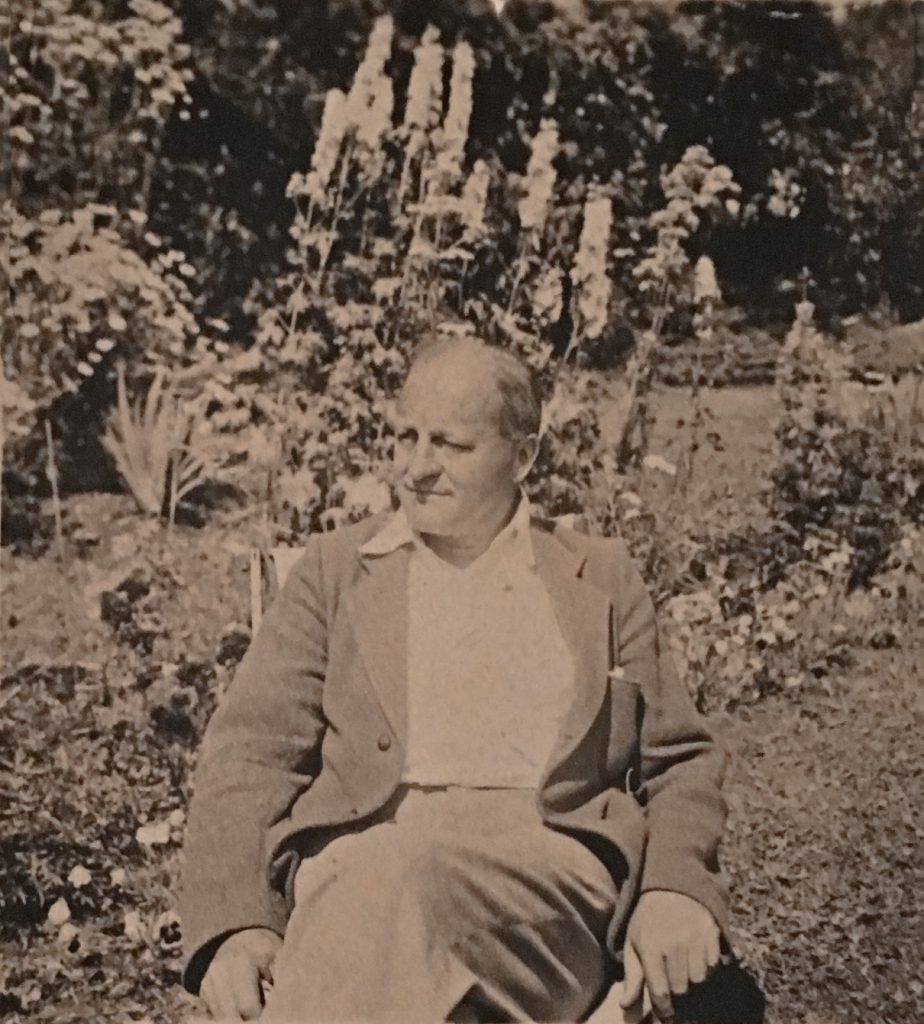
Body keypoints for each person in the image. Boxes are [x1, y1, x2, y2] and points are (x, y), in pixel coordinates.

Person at [180, 336, 729, 1023]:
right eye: (404, 436)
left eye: (450, 445)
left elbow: (679, 761)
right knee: (389, 888)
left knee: (405, 882)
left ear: (523, 455)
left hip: (543, 873)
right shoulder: (337, 571)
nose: (416, 468)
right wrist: (238, 927)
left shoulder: (598, 575)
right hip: (359, 868)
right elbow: (249, 752)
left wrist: (675, 888)